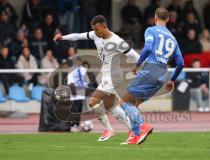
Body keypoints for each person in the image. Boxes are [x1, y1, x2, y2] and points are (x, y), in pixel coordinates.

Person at [54, 15, 140, 141]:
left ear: (104, 26)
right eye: (93, 29)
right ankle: (133, 130)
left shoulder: (117, 41)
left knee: (92, 101)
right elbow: (78, 35)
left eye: (97, 29)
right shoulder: (95, 35)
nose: (95, 32)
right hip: (106, 75)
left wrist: (139, 67)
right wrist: (63, 37)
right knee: (110, 105)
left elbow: (134, 55)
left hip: (114, 76)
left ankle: (109, 130)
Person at [119, 7, 184, 144]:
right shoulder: (173, 39)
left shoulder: (151, 30)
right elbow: (181, 63)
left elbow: (148, 48)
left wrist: (137, 65)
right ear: (168, 19)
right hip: (162, 75)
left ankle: (142, 127)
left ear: (155, 18)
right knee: (134, 103)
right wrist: (172, 80)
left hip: (151, 70)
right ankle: (135, 135)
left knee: (124, 102)